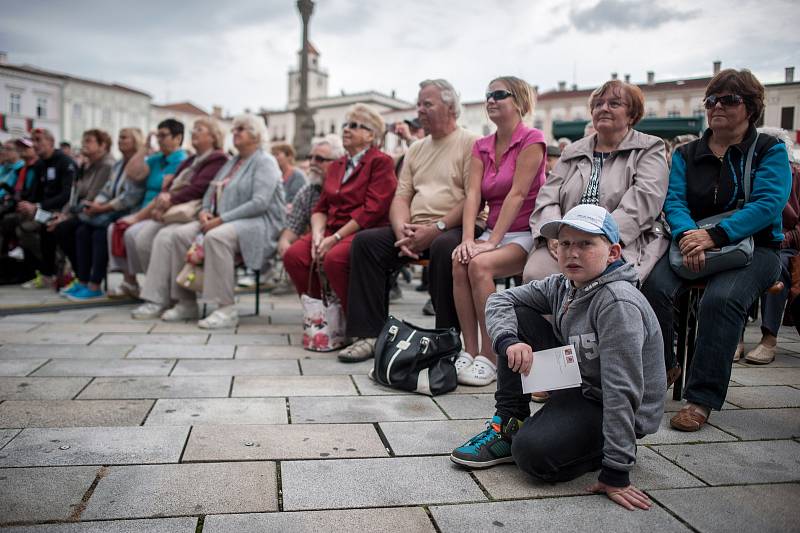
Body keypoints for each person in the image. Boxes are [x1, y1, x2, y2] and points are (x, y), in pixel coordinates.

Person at [451, 204, 665, 512]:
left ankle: (600, 448)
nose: (572, 252)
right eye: (565, 243)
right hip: (579, 382)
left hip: (610, 404)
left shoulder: (618, 302)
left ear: (614, 252)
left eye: (586, 243)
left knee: (532, 455)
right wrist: (510, 341)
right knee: (519, 316)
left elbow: (623, 389)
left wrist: (617, 471)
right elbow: (500, 299)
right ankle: (508, 424)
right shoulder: (563, 284)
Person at [641, 69, 792, 431]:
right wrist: (689, 235)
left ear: (751, 107)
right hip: (692, 243)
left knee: (720, 301)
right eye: (711, 100)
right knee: (652, 289)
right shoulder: (686, 153)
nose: (717, 106)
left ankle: (701, 398)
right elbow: (673, 201)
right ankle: (665, 366)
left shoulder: (770, 150)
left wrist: (716, 236)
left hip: (757, 249)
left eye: (729, 100)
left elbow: (769, 203)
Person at [341, 79, 480, 362]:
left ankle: (446, 339)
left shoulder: (471, 143)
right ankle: (369, 335)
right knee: (366, 243)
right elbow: (401, 197)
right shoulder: (416, 149)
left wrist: (435, 228)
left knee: (444, 248)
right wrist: (401, 231)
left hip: (458, 225)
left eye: (427, 104)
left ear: (450, 107)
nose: (419, 110)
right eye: (418, 104)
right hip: (415, 228)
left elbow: (473, 198)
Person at [131, 114, 284, 329]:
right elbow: (210, 191)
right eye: (234, 129)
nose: (234, 132)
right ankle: (185, 302)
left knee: (217, 237)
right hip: (224, 218)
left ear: (255, 135)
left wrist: (221, 219)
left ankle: (226, 308)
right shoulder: (234, 161)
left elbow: (259, 203)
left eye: (240, 129)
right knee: (178, 235)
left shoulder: (264, 161)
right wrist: (204, 211)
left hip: (258, 223)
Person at [525, 79, 669, 284]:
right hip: (564, 242)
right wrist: (555, 235)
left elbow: (644, 202)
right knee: (536, 277)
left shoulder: (648, 148)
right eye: (598, 104)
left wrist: (599, 239)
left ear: (632, 114)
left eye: (614, 104)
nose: (604, 108)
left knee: (606, 285)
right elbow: (547, 197)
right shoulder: (573, 151)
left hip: (619, 242)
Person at [451, 76, 546, 386]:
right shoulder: (482, 145)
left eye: (499, 94)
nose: (490, 100)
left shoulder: (532, 139)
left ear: (518, 101)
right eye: (488, 94)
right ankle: (470, 350)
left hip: (525, 231)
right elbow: (473, 196)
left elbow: (518, 195)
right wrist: (468, 239)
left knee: (480, 264)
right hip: (494, 230)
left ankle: (492, 357)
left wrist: (490, 242)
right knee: (460, 259)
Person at [283, 104, 396, 313]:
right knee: (294, 255)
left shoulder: (381, 162)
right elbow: (320, 207)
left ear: (371, 136)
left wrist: (334, 239)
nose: (346, 129)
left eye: (354, 125)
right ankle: (322, 314)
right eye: (346, 125)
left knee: (334, 260)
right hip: (331, 230)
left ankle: (352, 317)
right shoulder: (337, 165)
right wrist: (317, 235)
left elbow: (372, 210)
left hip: (361, 231)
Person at [59, 128, 146, 300]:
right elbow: (107, 189)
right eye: (119, 137)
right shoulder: (119, 164)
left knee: (100, 233)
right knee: (83, 230)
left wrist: (103, 208)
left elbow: (131, 196)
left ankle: (95, 284)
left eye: (124, 137)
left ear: (135, 141)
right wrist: (97, 203)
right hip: (109, 209)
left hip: (127, 211)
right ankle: (83, 281)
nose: (120, 141)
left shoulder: (140, 163)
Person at [106, 119, 187, 297]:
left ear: (178, 138)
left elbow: (165, 195)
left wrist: (136, 218)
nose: (159, 140)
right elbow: (132, 172)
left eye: (164, 135)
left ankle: (154, 284)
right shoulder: (157, 159)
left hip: (160, 212)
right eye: (158, 135)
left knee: (131, 232)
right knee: (115, 228)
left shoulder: (181, 161)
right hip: (145, 210)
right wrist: (144, 146)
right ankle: (130, 281)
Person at [46, 129, 115, 288]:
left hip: (96, 212)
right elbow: (74, 195)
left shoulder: (106, 165)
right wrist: (63, 213)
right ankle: (80, 277)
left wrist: (67, 217)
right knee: (51, 224)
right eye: (84, 140)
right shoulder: (87, 165)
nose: (84, 144)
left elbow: (92, 197)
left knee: (65, 229)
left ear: (102, 145)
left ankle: (83, 276)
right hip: (82, 211)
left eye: (89, 141)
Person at [15, 128, 78, 288]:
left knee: (39, 227)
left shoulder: (65, 162)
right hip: (44, 210)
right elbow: (35, 192)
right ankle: (46, 272)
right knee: (19, 222)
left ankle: (55, 268)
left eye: (38, 140)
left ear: (50, 142)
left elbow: (66, 195)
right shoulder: (40, 164)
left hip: (63, 212)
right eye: (33, 140)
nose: (35, 144)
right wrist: (25, 205)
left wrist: (37, 206)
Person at [277, 135, 344, 258]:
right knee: (293, 255)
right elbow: (294, 224)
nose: (312, 163)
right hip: (316, 245)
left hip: (339, 244)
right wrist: (284, 240)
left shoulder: (347, 188)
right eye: (310, 157)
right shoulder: (308, 191)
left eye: (319, 159)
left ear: (337, 162)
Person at [271, 142, 307, 207]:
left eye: (277, 154)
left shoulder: (298, 176)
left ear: (289, 156)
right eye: (273, 155)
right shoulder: (274, 175)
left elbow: (295, 201)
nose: (274, 158)